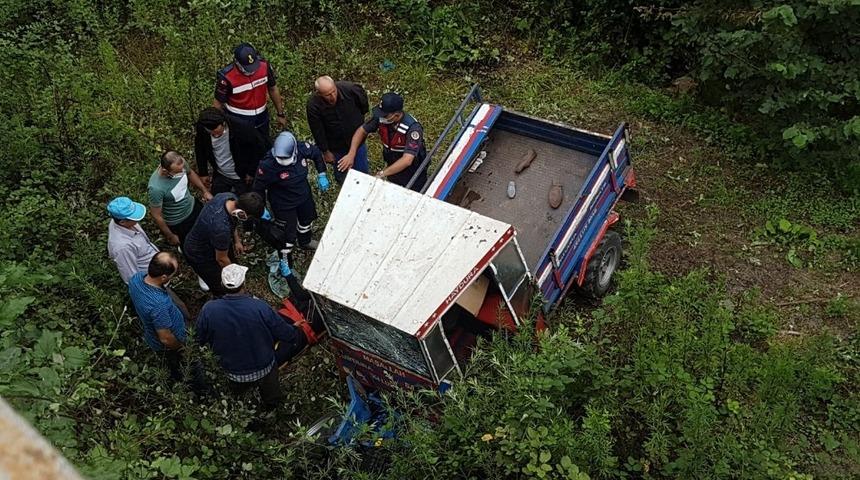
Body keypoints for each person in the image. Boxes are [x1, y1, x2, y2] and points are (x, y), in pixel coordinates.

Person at [195, 264, 311, 409]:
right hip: (264, 367)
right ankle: (273, 409)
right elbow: (285, 333)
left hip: (233, 371)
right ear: (244, 283)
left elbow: (198, 339)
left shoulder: (209, 310)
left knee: (238, 397)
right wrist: (295, 329)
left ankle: (240, 410)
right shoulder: (260, 307)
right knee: (272, 395)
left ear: (222, 284)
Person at [128, 252, 206, 394]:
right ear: (163, 277)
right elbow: (166, 338)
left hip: (156, 334)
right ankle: (200, 391)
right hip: (172, 346)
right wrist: (183, 348)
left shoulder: (136, 279)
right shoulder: (159, 305)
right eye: (173, 273)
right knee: (190, 366)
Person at [252, 131, 329, 276]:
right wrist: (261, 208)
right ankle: (286, 262)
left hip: (303, 195)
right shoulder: (268, 164)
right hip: (283, 203)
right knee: (286, 236)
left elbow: (317, 154)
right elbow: (258, 188)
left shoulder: (302, 148)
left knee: (307, 220)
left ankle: (305, 241)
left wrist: (322, 174)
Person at [340, 92, 428, 191]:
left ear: (397, 115)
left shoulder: (412, 129)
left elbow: (407, 160)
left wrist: (382, 173)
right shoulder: (382, 119)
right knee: (395, 188)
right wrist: (352, 153)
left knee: (415, 192)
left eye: (385, 115)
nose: (381, 118)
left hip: (413, 169)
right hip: (392, 162)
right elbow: (361, 131)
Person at [182, 191, 264, 296]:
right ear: (242, 213)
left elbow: (232, 222)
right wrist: (235, 281)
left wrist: (237, 240)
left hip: (213, 241)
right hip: (199, 253)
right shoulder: (221, 228)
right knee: (220, 283)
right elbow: (221, 259)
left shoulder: (228, 197)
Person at [213, 42, 286, 138]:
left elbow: (273, 89)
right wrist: (218, 124)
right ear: (236, 62)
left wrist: (280, 114)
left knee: (264, 145)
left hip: (262, 117)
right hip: (238, 119)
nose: (251, 71)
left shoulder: (264, 66)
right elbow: (218, 103)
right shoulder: (227, 77)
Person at [306, 76, 370, 183]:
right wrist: (325, 151)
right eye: (327, 95)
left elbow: (364, 105)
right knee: (344, 178)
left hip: (357, 142)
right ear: (319, 94)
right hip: (336, 147)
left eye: (334, 92)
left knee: (362, 175)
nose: (332, 96)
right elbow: (317, 130)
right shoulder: (313, 105)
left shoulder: (350, 89)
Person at [194, 107, 269, 195]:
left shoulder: (242, 128)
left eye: (217, 132)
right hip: (220, 174)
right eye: (211, 133)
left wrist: (251, 172)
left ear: (223, 123)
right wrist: (203, 172)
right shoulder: (202, 129)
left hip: (242, 174)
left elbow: (259, 149)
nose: (215, 135)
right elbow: (200, 149)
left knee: (249, 201)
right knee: (219, 200)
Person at [148, 150, 212, 248]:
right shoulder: (156, 188)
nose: (182, 171)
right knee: (192, 245)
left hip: (192, 206)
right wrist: (170, 235)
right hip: (178, 221)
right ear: (165, 171)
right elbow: (156, 215)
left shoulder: (180, 163)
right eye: (177, 172)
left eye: (182, 168)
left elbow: (190, 173)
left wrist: (204, 191)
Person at [107, 196, 159, 284]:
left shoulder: (118, 221)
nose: (138, 221)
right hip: (152, 276)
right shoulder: (122, 247)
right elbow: (131, 276)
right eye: (134, 218)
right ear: (122, 222)